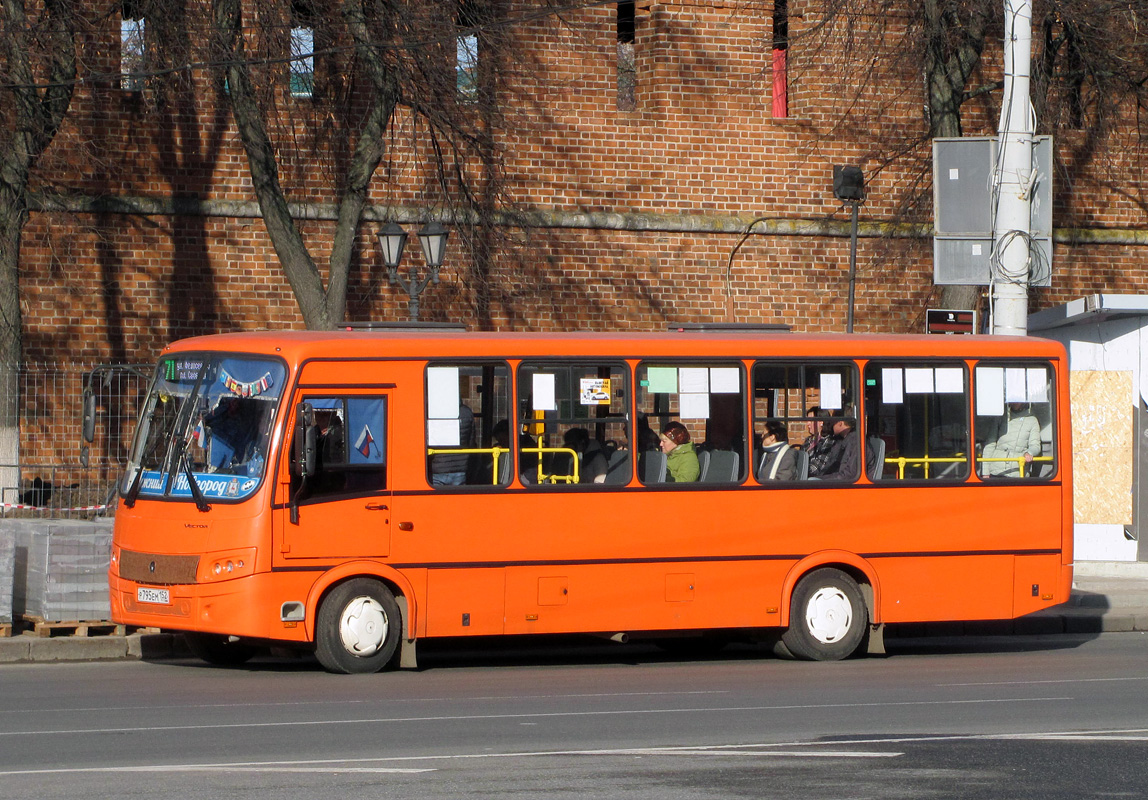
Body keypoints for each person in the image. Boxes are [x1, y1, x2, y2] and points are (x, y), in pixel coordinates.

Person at [980, 402, 1042, 477]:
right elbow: (990, 445)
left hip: (1018, 471)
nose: (1014, 402)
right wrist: (985, 472)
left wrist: (1029, 453)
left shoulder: (1032, 420)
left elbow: (1035, 445)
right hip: (996, 471)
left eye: (1017, 401)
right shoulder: (1000, 417)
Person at [430, 403, 475, 486]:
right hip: (460, 467)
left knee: (435, 498)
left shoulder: (434, 411)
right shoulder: (466, 412)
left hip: (438, 466)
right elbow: (471, 441)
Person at [809, 415, 860, 481]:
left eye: (833, 422)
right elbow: (830, 466)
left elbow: (850, 475)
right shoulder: (840, 441)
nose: (831, 425)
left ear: (840, 423)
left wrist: (822, 480)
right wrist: (820, 477)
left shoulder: (856, 443)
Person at [805, 407, 838, 477]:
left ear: (821, 422)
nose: (807, 424)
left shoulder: (828, 442)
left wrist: (800, 469)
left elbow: (817, 468)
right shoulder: (808, 440)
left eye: (811, 421)